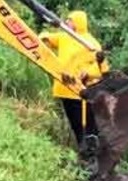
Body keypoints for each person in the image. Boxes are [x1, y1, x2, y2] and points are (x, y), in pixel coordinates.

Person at [39, 10, 105, 159]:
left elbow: (99, 68)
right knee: (75, 124)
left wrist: (87, 73)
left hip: (84, 90)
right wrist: (46, 36)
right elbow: (45, 38)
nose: (67, 22)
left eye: (70, 20)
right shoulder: (64, 37)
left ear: (78, 23)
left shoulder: (92, 44)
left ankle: (92, 155)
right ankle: (83, 153)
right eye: (67, 20)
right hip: (65, 88)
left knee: (89, 125)